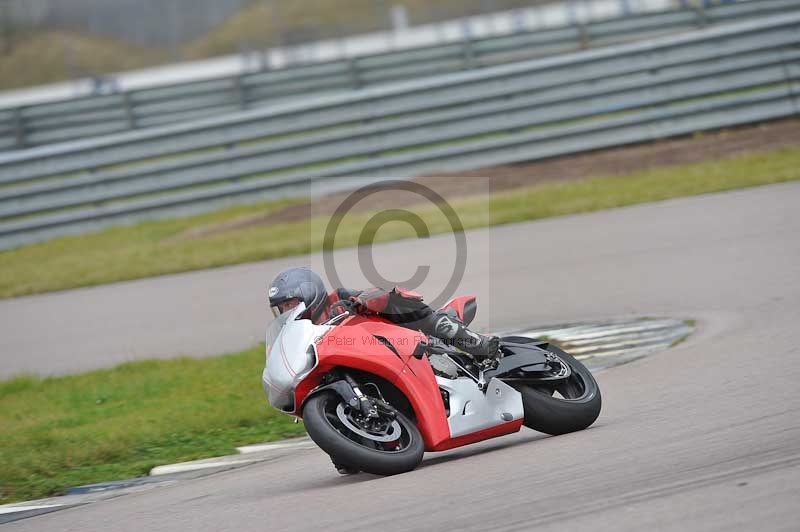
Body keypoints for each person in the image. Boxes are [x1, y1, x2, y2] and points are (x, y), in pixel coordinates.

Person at [268, 266, 500, 361]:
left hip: (399, 340)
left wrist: (359, 302)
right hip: (365, 360)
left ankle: (476, 342)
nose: (287, 311)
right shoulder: (301, 334)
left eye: (290, 303)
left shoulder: (338, 298)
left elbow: (377, 294)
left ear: (309, 292)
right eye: (283, 307)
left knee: (399, 301)